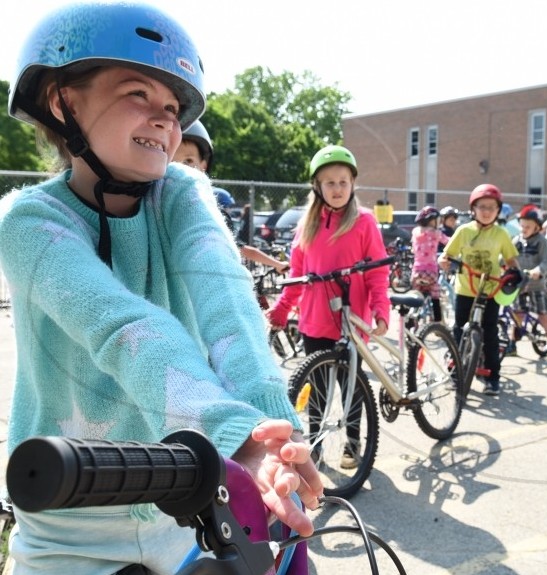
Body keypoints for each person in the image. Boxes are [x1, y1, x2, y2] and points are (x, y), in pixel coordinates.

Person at [0, 3, 322, 573]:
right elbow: (125, 329)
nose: (164, 121)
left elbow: (227, 305)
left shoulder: (183, 193)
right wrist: (233, 433)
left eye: (173, 108)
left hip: (185, 504)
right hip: (71, 517)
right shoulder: (27, 223)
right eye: (137, 95)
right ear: (63, 101)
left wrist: (274, 438)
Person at [267, 145, 390, 467]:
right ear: (317, 187)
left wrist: (381, 309)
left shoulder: (363, 222)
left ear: (353, 185)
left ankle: (352, 443)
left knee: (352, 387)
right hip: (315, 319)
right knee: (317, 389)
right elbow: (297, 274)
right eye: (330, 182)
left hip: (351, 318)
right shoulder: (307, 225)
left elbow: (377, 270)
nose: (337, 189)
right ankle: (315, 445)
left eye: (343, 182)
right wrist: (282, 308)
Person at [174, 123, 289, 274]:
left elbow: (240, 249)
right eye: (170, 159)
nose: (178, 168)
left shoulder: (213, 216)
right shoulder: (142, 205)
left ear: (203, 165)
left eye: (188, 161)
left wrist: (276, 263)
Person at [438, 184, 520, 396]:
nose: (486, 211)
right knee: (459, 330)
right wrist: (444, 261)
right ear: (473, 209)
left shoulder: (501, 234)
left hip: (490, 290)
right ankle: (456, 373)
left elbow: (511, 260)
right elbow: (446, 255)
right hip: (466, 288)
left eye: (491, 207)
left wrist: (516, 274)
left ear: (498, 210)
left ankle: (492, 378)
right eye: (481, 206)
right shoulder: (463, 231)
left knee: (490, 334)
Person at [512, 205, 547, 363]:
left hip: (536, 284)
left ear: (537, 227)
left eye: (528, 226)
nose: (524, 229)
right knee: (517, 313)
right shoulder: (517, 240)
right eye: (522, 226)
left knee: (543, 315)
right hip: (520, 283)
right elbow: (508, 257)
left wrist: (538, 270)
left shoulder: (540, 241)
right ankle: (512, 344)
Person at [411, 206, 450, 321]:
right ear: (432, 220)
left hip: (416, 271)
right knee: (435, 295)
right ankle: (438, 322)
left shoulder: (415, 232)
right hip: (431, 271)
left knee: (416, 296)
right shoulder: (436, 233)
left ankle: (411, 318)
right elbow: (449, 242)